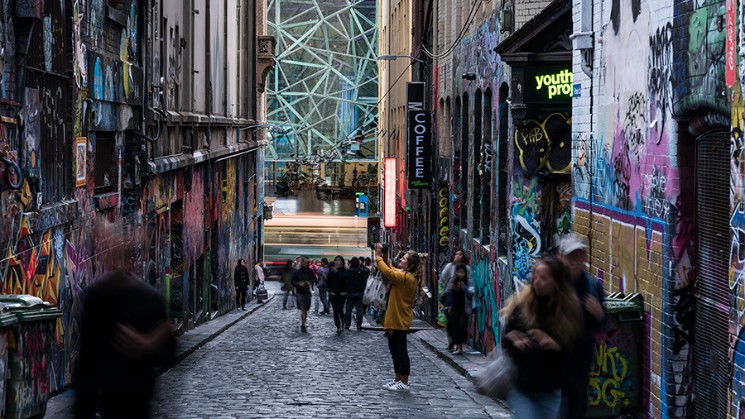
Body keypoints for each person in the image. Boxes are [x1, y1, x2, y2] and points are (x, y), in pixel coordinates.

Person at [75, 220, 175, 419]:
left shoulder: (150, 300)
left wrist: (148, 345)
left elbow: (168, 353)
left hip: (138, 404)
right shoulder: (96, 297)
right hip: (108, 403)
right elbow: (86, 360)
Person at [501, 255, 582, 419]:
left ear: (556, 283)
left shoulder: (568, 313)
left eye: (543, 278)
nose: (536, 281)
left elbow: (577, 351)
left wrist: (554, 345)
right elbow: (507, 340)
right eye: (535, 275)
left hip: (550, 390)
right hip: (521, 388)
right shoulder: (522, 306)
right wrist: (514, 341)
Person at [559, 234, 606, 419]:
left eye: (579, 256)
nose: (575, 262)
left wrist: (599, 314)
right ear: (561, 257)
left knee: (576, 411)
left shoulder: (593, 287)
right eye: (571, 257)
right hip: (551, 363)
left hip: (579, 366)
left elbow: (602, 325)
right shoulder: (549, 283)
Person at [375, 244, 422, 392]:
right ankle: (398, 379)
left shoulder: (407, 278)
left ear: (410, 264)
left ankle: (404, 382)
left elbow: (389, 272)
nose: (401, 260)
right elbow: (392, 269)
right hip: (396, 319)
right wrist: (384, 255)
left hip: (399, 319)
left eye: (404, 259)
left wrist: (378, 257)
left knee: (401, 351)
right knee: (394, 350)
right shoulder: (405, 276)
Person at [439, 248, 472, 349]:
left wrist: (464, 287)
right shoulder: (450, 266)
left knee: (460, 324)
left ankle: (458, 344)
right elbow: (443, 277)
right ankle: (452, 341)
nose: (458, 256)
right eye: (456, 254)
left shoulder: (467, 268)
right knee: (451, 322)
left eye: (460, 254)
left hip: (463, 299)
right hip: (451, 297)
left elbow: (470, 281)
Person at [443, 263, 474, 355]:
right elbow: (447, 292)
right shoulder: (453, 280)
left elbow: (471, 293)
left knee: (462, 326)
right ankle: (458, 347)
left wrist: (463, 287)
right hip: (454, 308)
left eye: (462, 272)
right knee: (455, 326)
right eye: (458, 272)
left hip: (465, 308)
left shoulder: (469, 281)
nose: (460, 274)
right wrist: (448, 305)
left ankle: (460, 345)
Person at [292, 257, 316, 332]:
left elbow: (314, 279)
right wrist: (299, 283)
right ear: (302, 263)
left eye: (308, 263)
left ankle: (304, 322)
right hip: (299, 291)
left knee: (305, 309)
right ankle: (303, 323)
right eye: (305, 262)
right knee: (302, 308)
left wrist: (310, 282)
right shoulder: (297, 272)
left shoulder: (310, 271)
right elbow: (293, 281)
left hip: (307, 292)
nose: (306, 264)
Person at [327, 255, 349, 333]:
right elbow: (328, 281)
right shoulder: (331, 270)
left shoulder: (345, 271)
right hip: (333, 293)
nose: (337, 262)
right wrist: (329, 290)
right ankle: (338, 326)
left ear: (342, 262)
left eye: (339, 260)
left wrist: (346, 292)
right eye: (336, 260)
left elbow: (346, 280)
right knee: (335, 310)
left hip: (342, 293)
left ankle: (342, 321)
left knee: (340, 309)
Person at [345, 257, 367, 331]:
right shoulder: (361, 271)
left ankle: (347, 324)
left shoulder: (348, 271)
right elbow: (364, 282)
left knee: (348, 309)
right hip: (359, 292)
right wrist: (362, 290)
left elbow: (345, 282)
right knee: (359, 310)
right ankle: (359, 325)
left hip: (350, 292)